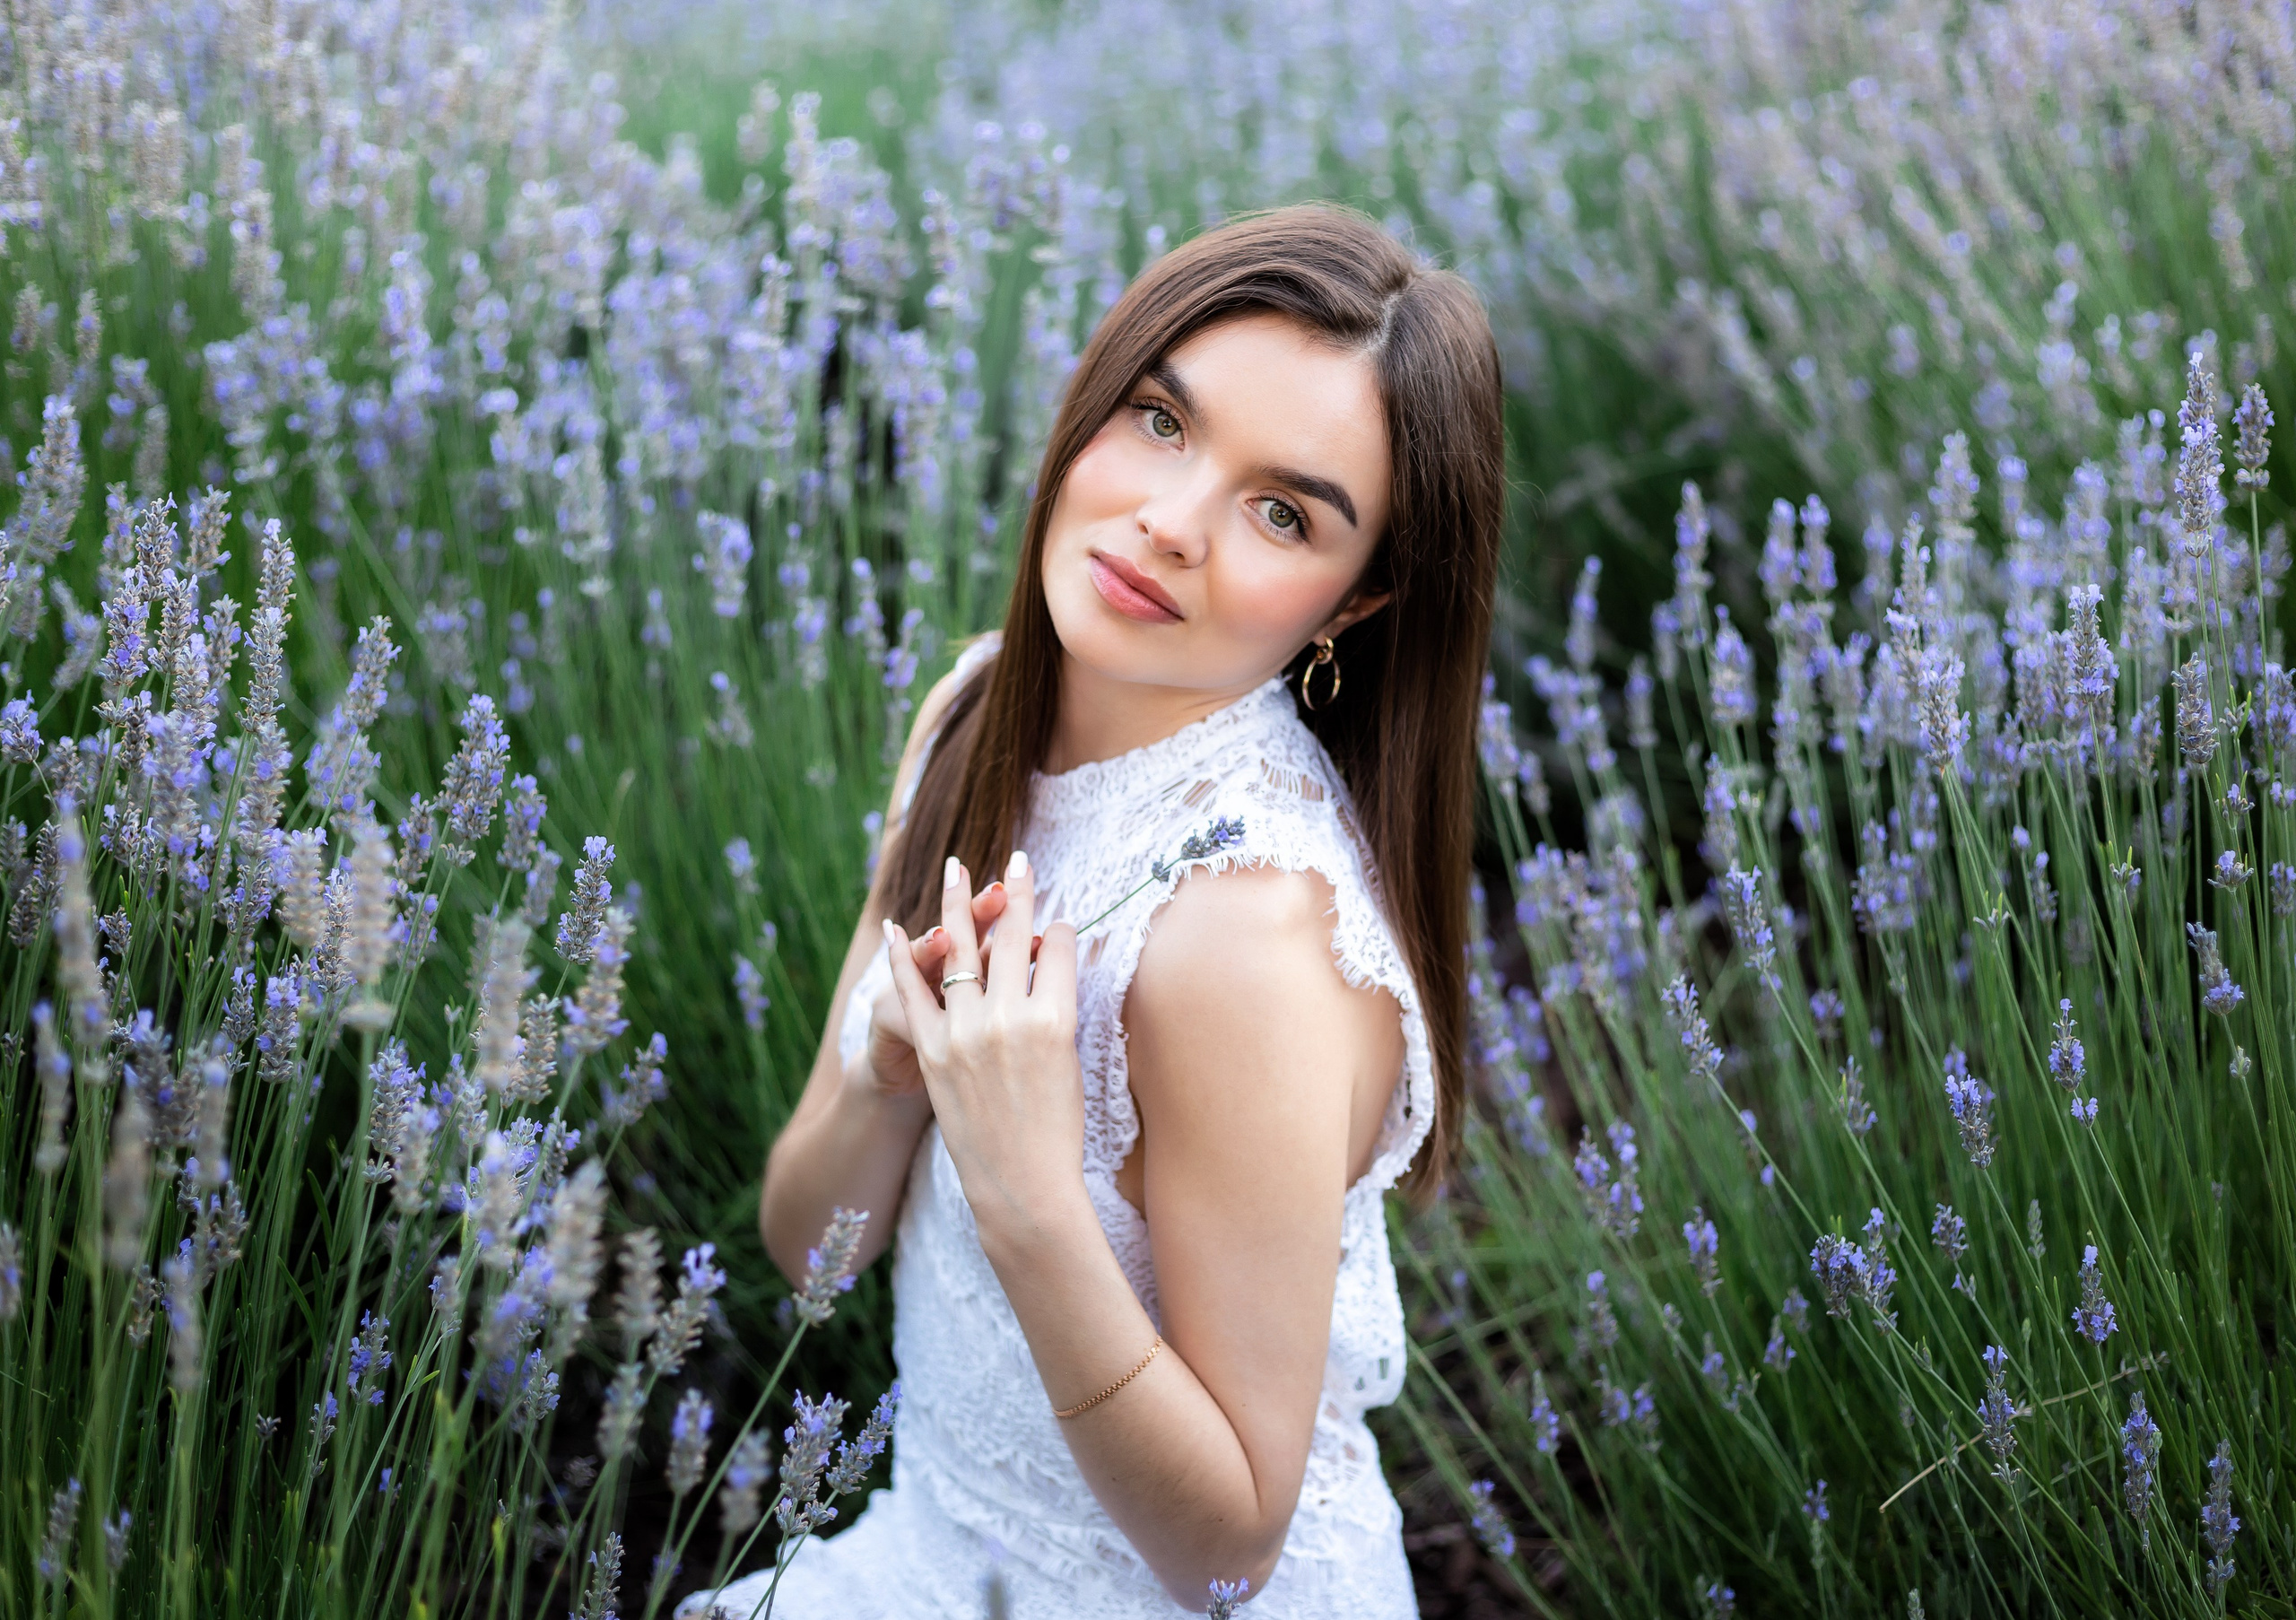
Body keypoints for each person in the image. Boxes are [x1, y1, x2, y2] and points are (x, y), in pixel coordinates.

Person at [679, 202, 1504, 1619]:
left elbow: (1231, 1549)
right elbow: (811, 1250)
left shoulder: (1243, 934)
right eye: (1161, 420)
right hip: (937, 1550)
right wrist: (886, 1077)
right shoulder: (975, 718)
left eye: (1281, 510)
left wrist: (1027, 1195)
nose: (1169, 524)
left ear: (1354, 603)